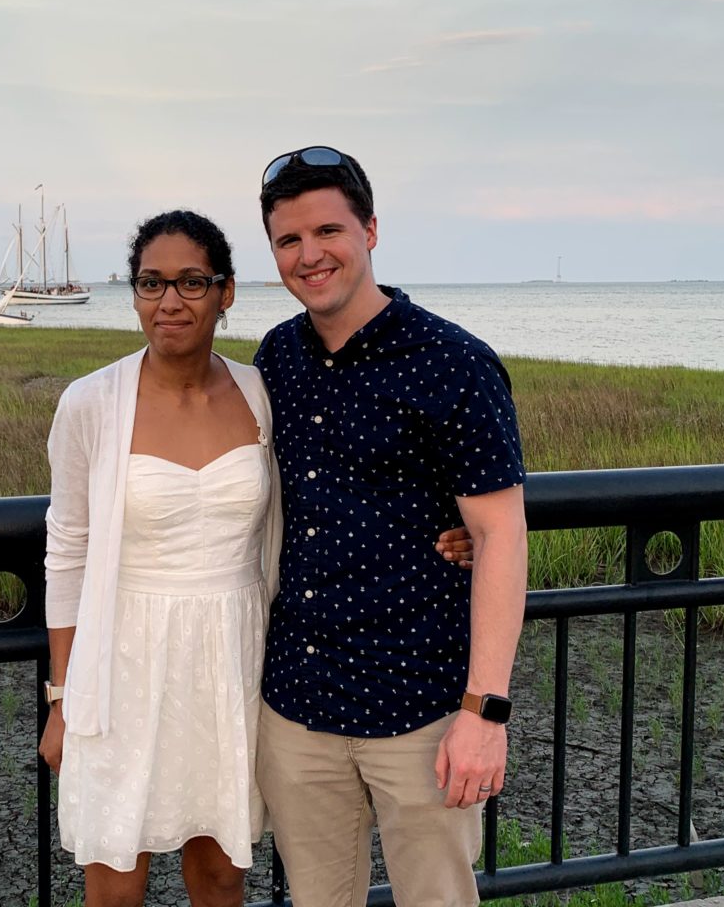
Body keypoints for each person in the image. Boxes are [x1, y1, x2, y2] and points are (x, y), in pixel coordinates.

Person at [252, 147, 529, 907]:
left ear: (370, 230)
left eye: (328, 231)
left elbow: (500, 535)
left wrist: (485, 712)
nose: (309, 255)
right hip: (297, 705)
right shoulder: (277, 358)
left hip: (421, 708)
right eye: (287, 239)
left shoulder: (453, 362)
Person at [37, 209, 282, 907]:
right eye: (151, 283)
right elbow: (68, 552)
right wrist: (62, 699)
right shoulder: (90, 403)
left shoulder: (260, 394)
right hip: (123, 659)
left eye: (190, 282)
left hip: (232, 657)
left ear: (225, 292)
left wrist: (447, 529)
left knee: (221, 873)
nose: (169, 301)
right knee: (116, 879)